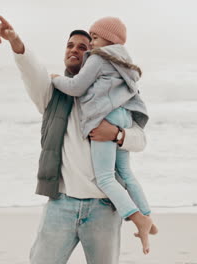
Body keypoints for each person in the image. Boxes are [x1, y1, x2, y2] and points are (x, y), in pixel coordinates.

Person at [0, 12, 151, 264]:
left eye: (83, 46)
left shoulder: (114, 95)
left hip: (104, 208)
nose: (74, 50)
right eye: (69, 45)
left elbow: (140, 140)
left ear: (95, 54)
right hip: (61, 206)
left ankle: (145, 218)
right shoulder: (52, 93)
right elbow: (32, 70)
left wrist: (118, 135)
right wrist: (15, 41)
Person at [50, 16, 158, 254]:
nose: (91, 39)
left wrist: (56, 80)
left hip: (105, 118)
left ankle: (140, 220)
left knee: (105, 178)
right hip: (123, 116)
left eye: (95, 35)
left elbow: (77, 86)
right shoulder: (123, 59)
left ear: (110, 38)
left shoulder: (98, 57)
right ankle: (147, 214)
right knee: (125, 173)